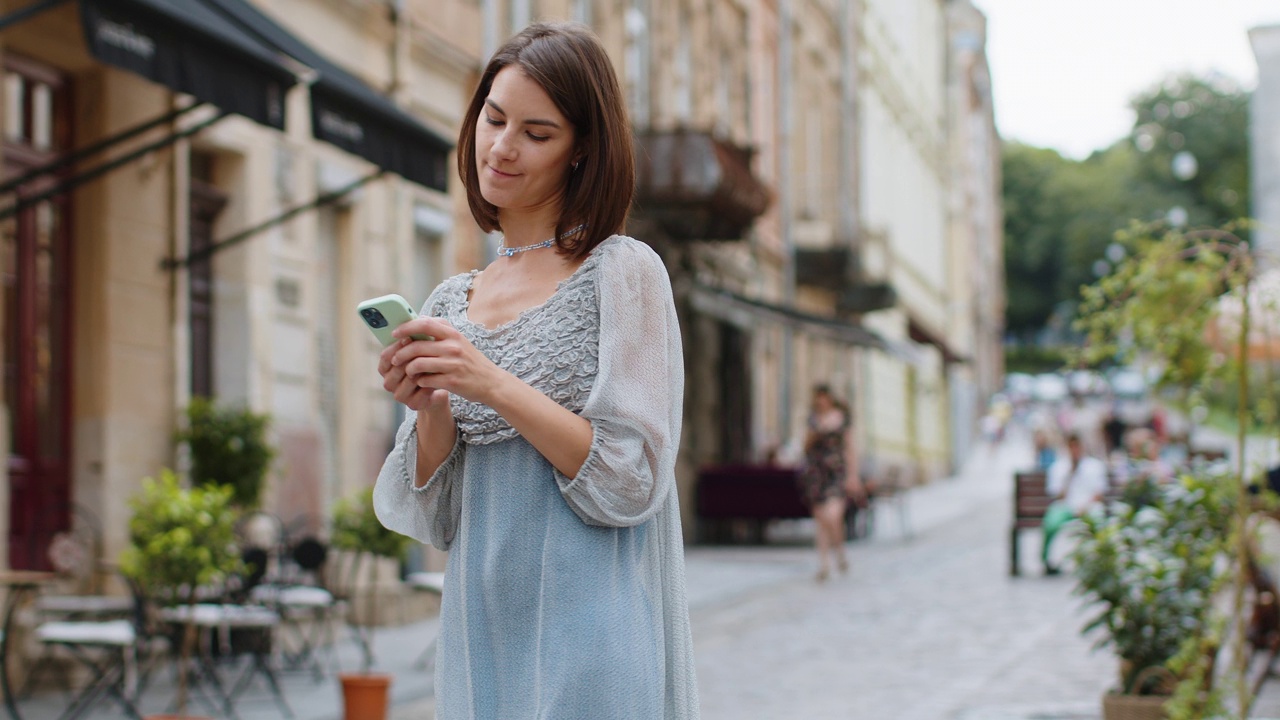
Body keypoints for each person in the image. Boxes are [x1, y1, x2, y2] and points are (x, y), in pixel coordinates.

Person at [370, 23, 697, 719]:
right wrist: (428, 401)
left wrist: (488, 382)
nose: (502, 146)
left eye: (537, 133)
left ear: (582, 151)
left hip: (589, 638)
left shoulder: (621, 271)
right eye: (493, 117)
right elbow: (440, 510)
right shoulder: (451, 300)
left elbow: (633, 477)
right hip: (478, 636)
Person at [799, 384, 865, 582]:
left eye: (823, 397)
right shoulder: (812, 420)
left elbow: (850, 448)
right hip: (816, 473)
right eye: (817, 398)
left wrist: (853, 476)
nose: (820, 401)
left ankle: (840, 551)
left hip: (837, 472)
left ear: (830, 398)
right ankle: (824, 564)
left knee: (833, 515)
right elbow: (806, 447)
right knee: (820, 520)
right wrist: (815, 431)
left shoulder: (842, 418)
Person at [1041, 433, 1109, 576]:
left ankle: (1098, 560)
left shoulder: (1094, 466)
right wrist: (1070, 475)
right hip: (1065, 506)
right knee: (1051, 523)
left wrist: (1084, 507)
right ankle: (1046, 560)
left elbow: (1099, 493)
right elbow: (1057, 495)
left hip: (1089, 506)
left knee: (1098, 519)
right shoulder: (1059, 467)